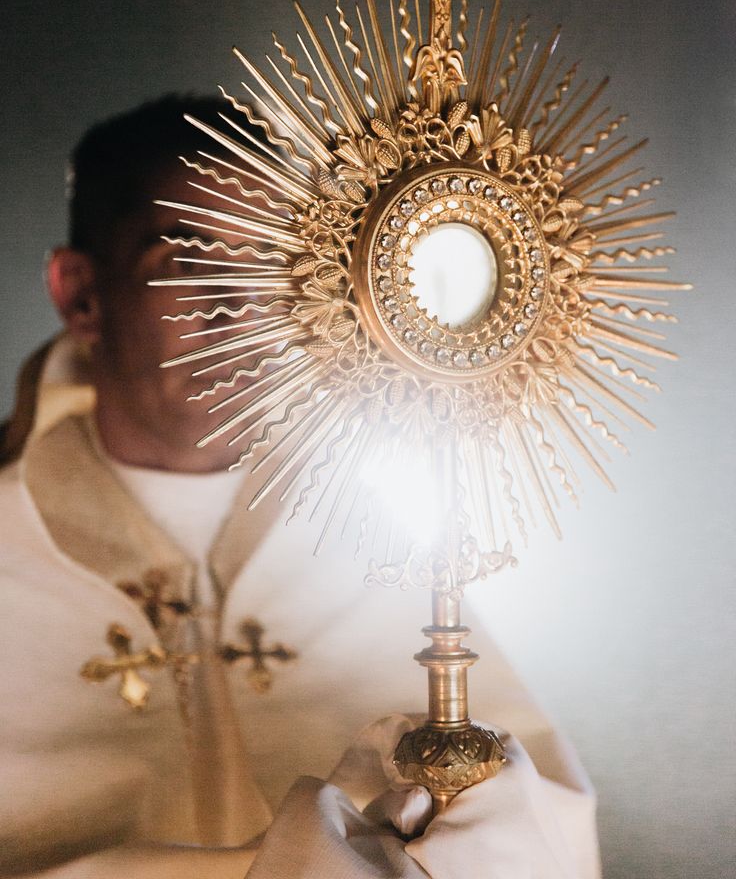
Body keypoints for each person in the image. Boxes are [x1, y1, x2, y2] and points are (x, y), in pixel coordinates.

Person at [1, 96, 601, 877]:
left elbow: (542, 838)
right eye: (186, 261)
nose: (237, 310)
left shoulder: (372, 535)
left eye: (267, 265)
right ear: (81, 294)